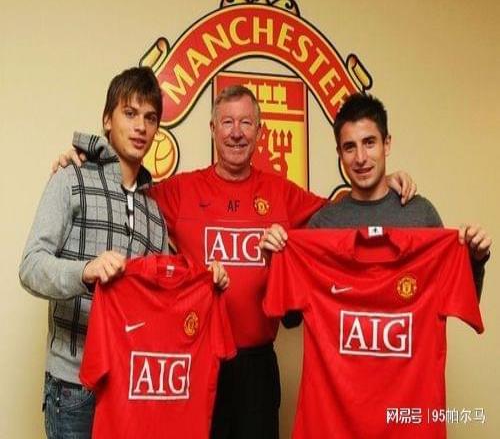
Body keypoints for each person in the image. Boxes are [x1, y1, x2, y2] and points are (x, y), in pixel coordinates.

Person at [54, 86, 416, 439]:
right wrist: (86, 163)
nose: (236, 132)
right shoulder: (179, 191)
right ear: (213, 129)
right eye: (227, 122)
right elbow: (125, 191)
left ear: (260, 131)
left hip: (257, 367)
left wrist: (381, 185)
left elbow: (345, 216)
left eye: (246, 123)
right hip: (197, 361)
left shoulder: (282, 193)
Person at [19, 67, 228, 439]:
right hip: (73, 388)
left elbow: (164, 299)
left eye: (150, 118)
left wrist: (208, 280)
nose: (140, 127)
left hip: (130, 391)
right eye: (129, 113)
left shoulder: (155, 210)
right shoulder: (71, 178)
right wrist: (86, 270)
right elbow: (31, 267)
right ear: (107, 120)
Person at [261, 93, 491, 294]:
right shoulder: (323, 224)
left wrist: (475, 260)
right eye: (350, 147)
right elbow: (292, 317)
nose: (360, 158)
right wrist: (276, 262)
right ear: (339, 153)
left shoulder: (421, 214)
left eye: (369, 143)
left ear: (386, 144)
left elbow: (456, 296)